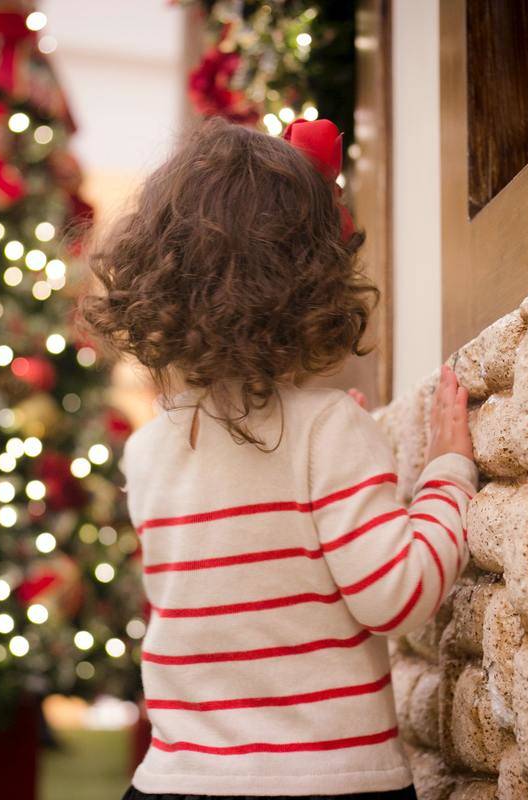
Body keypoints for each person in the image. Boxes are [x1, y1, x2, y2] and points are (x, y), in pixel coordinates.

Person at [80, 116, 476, 800]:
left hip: (179, 779)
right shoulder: (329, 430)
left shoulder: (147, 451)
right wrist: (448, 474)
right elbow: (397, 595)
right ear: (314, 283)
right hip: (321, 780)